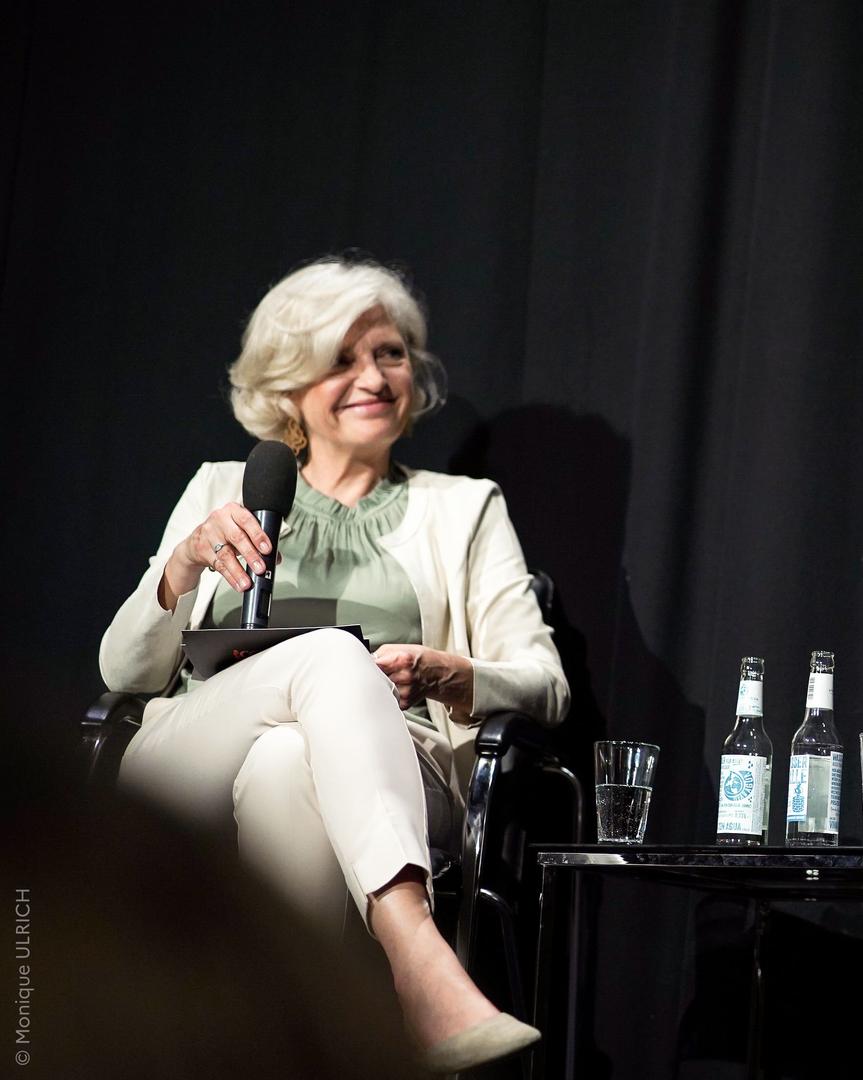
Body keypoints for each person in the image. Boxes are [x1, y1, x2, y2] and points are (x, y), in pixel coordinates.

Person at [100, 256, 569, 1073]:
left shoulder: (464, 508)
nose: (375, 378)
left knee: (288, 761)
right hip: (191, 758)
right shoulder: (219, 489)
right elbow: (123, 673)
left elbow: (545, 682)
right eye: (341, 359)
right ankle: (416, 954)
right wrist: (181, 568)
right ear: (288, 386)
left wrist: (453, 672)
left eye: (390, 354)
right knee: (324, 652)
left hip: (396, 765)